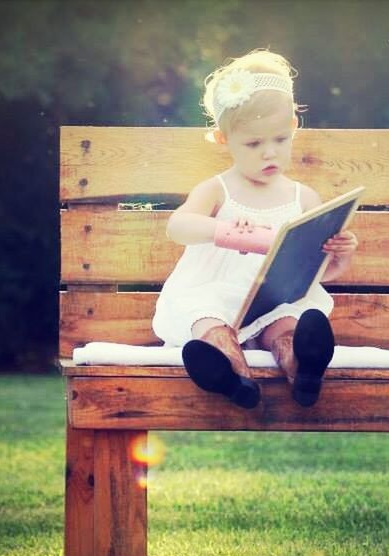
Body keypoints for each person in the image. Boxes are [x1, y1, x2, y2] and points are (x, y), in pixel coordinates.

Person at [151, 49, 359, 409]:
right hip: (214, 293)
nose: (269, 153)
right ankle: (232, 377)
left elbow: (317, 271)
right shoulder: (218, 189)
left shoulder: (303, 197)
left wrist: (339, 254)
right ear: (223, 139)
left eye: (280, 140)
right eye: (253, 143)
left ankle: (303, 366)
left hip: (273, 297)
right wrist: (224, 229)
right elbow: (178, 226)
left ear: (294, 126)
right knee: (211, 325)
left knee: (286, 327)